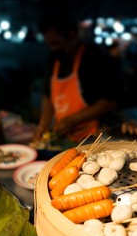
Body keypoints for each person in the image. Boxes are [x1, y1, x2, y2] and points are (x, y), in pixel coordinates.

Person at [32, 15, 119, 143]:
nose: (53, 48)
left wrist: (73, 120)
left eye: (56, 43)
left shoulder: (93, 56)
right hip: (65, 136)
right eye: (49, 44)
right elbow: (47, 96)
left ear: (72, 35)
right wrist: (43, 125)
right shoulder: (54, 58)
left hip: (95, 137)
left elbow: (109, 101)